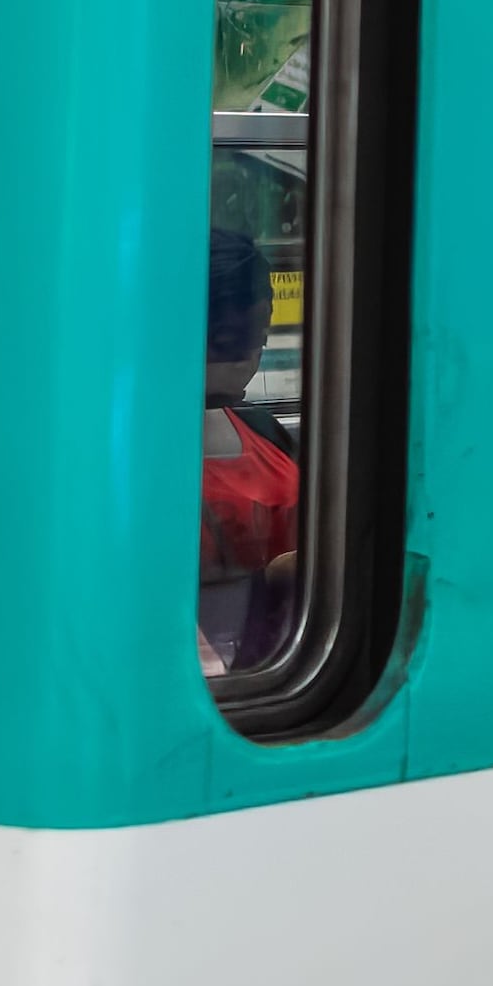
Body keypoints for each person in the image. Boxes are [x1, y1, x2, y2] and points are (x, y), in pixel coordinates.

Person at [198, 223, 303, 678]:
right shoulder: (112, 472)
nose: (250, 356)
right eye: (229, 338)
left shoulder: (265, 433)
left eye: (259, 336)